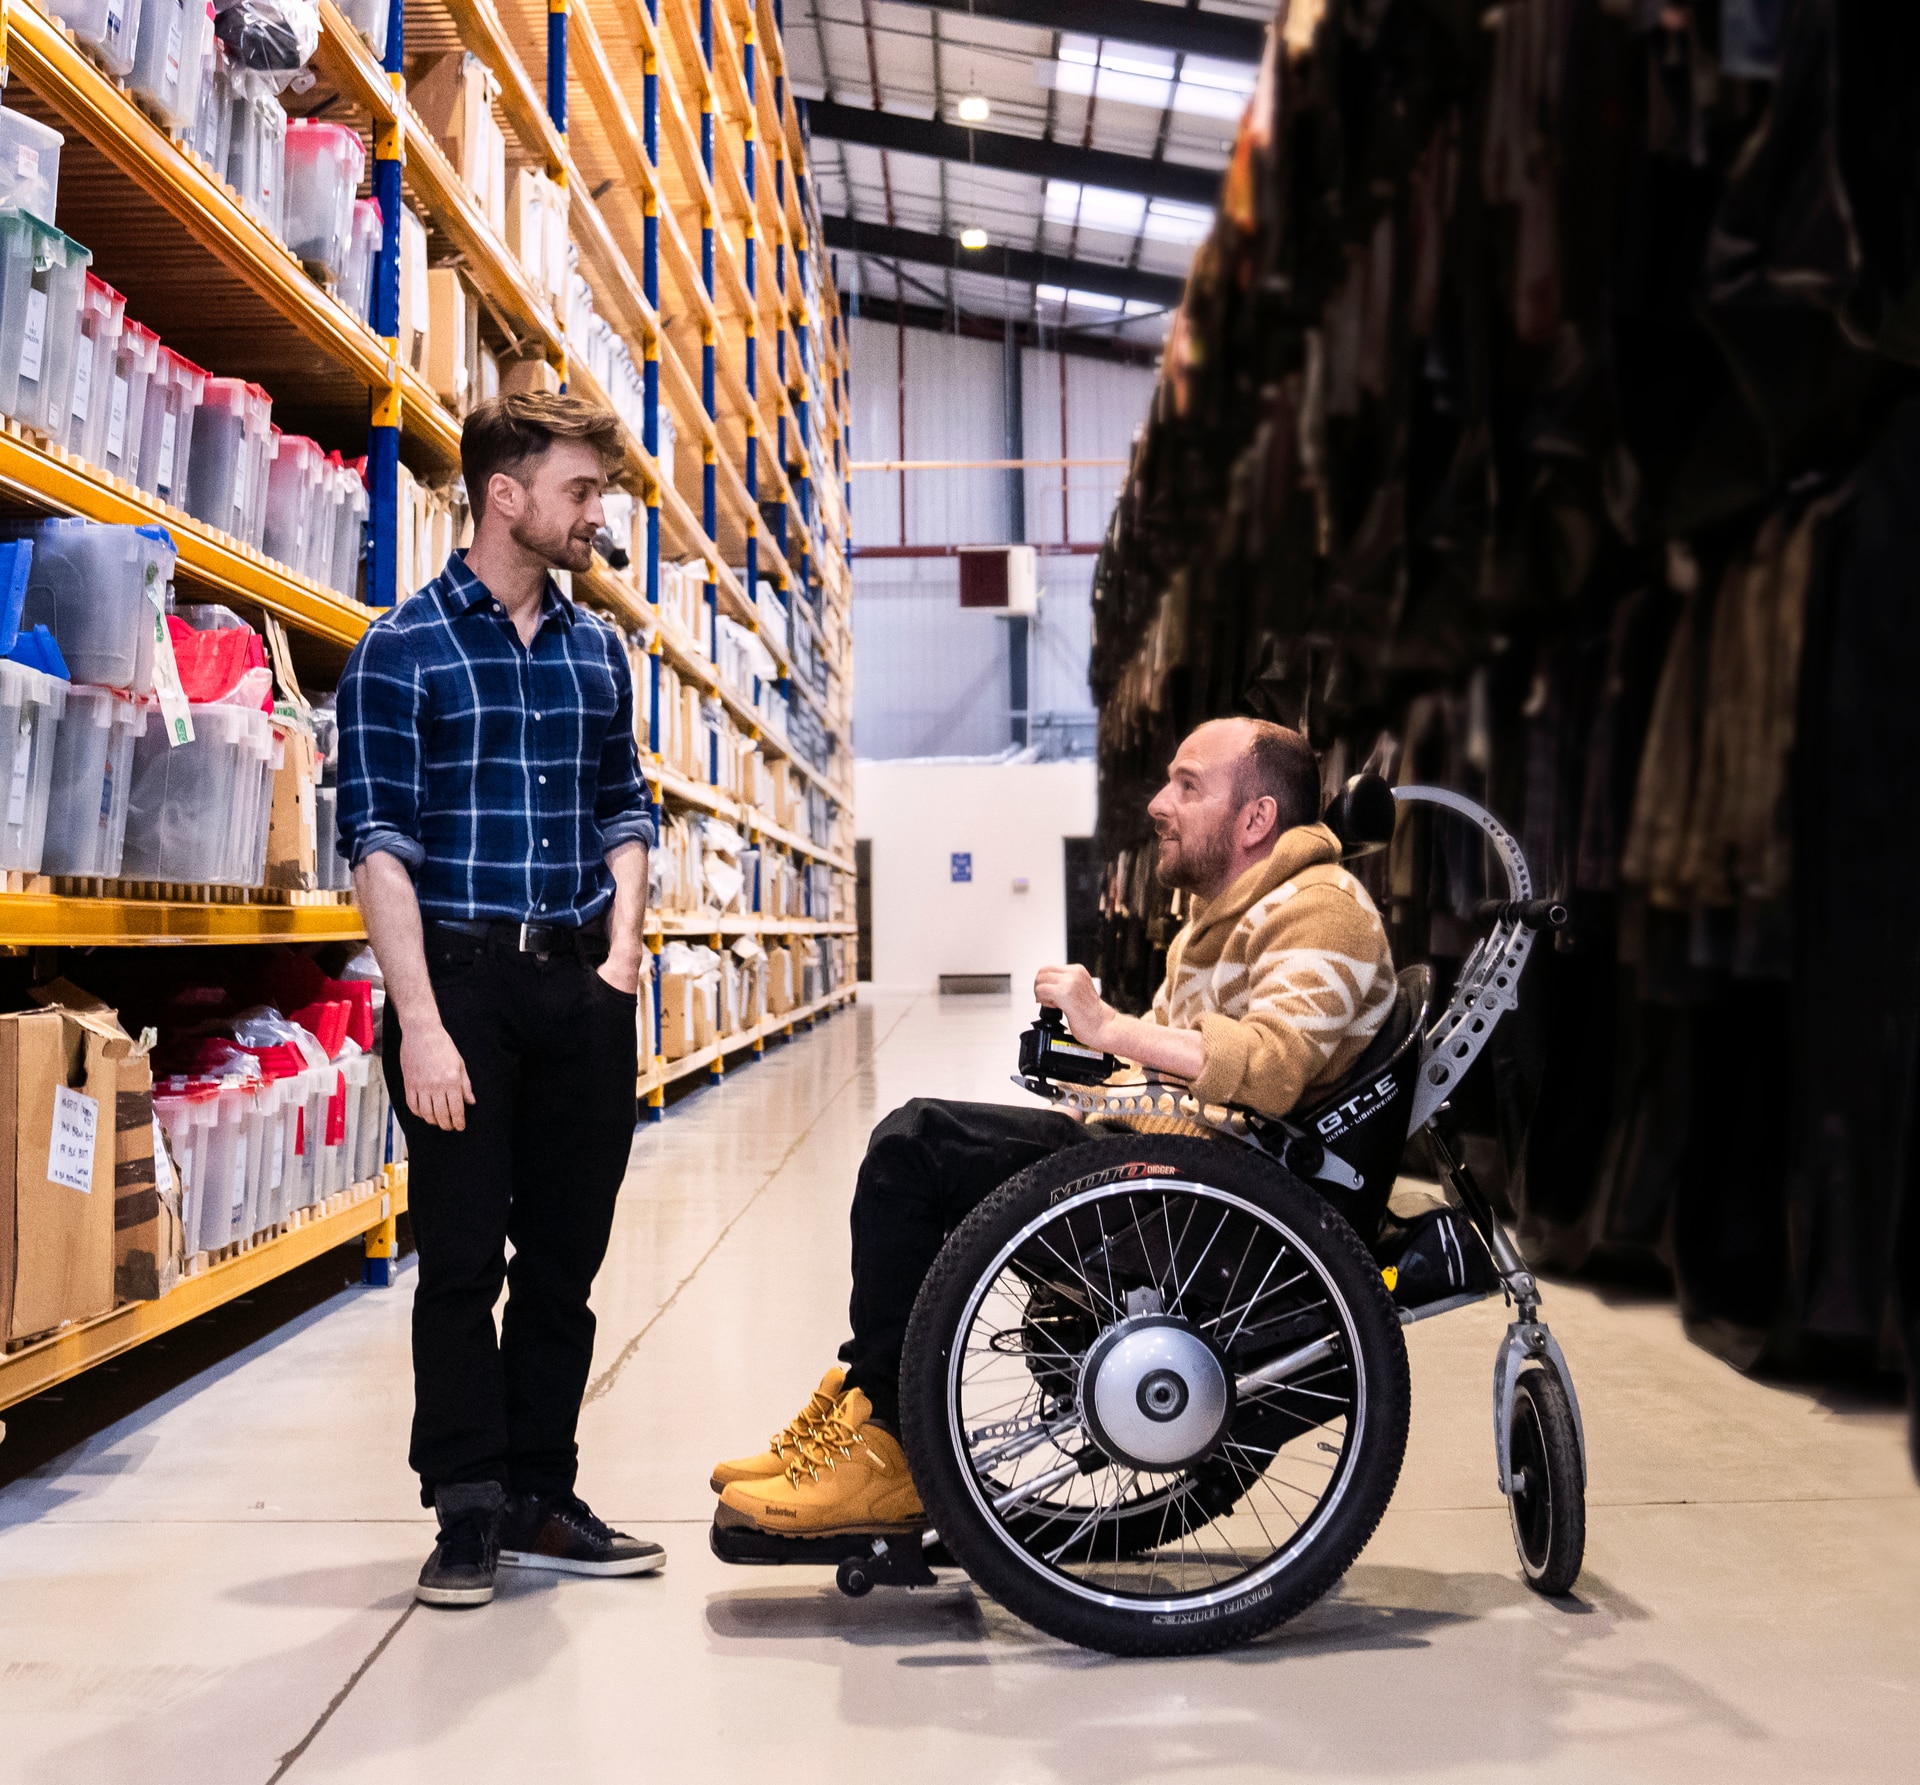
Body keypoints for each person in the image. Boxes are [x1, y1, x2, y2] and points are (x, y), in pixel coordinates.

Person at [710, 716, 1399, 1538]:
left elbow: (1274, 1065)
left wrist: (1110, 1028)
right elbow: (1188, 1062)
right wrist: (1098, 1075)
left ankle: (889, 1445)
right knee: (925, 1140)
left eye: (1187, 784)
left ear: (1255, 818)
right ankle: (870, 1404)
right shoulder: (1233, 909)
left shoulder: (1319, 908)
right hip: (1174, 1172)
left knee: (914, 1147)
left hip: (1204, 1210)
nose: (1158, 803)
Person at [338, 392, 665, 1607]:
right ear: (506, 495)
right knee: (465, 1261)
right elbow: (378, 847)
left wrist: (621, 959)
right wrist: (419, 1022)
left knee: (566, 1265)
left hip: (582, 983)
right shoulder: (400, 649)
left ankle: (542, 1491)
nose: (598, 515)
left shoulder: (597, 649)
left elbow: (625, 808)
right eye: (581, 491)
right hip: (460, 987)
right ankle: (468, 1506)